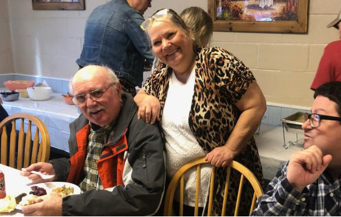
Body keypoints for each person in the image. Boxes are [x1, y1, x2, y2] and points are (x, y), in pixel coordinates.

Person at [135, 9, 266, 215]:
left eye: (170, 35)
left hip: (222, 190)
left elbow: (256, 104)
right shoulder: (162, 71)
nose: (166, 45)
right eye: (157, 42)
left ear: (187, 31)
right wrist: (147, 98)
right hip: (177, 189)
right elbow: (139, 97)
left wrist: (230, 148)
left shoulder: (215, 61)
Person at [20, 65, 165, 216]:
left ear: (117, 90)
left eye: (96, 93)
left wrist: (66, 206)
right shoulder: (84, 124)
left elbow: (144, 197)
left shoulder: (141, 128)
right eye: (81, 97)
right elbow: (89, 166)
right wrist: (55, 169)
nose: (89, 104)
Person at [253, 81, 341, 216]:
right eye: (309, 116)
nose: (305, 125)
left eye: (317, 117)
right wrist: (292, 187)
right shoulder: (300, 164)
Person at [76, 0, 155, 96]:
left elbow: (110, 55)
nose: (149, 5)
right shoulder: (130, 16)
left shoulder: (97, 11)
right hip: (113, 89)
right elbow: (156, 55)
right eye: (149, 1)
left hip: (84, 86)